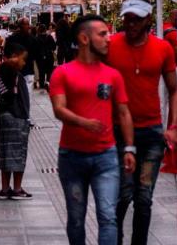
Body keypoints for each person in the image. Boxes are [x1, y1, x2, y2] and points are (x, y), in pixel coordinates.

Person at [50, 15, 136, 245]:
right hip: (72, 157)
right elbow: (58, 109)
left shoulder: (112, 75)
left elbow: (124, 112)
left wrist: (129, 147)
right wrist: (83, 122)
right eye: (102, 34)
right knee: (77, 219)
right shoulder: (63, 73)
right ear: (84, 38)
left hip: (105, 157)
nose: (109, 39)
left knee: (108, 217)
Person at [105, 0, 177, 245]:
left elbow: (174, 90)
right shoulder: (110, 45)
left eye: (136, 19)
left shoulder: (162, 49)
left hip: (151, 132)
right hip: (117, 132)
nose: (130, 24)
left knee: (144, 197)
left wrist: (173, 127)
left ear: (148, 19)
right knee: (123, 194)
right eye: (127, 18)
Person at [0, 42, 34, 200]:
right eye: (22, 59)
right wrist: (10, 60)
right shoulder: (10, 71)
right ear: (13, 58)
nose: (24, 63)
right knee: (18, 153)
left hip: (6, 115)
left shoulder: (0, 74)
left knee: (6, 154)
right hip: (16, 117)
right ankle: (16, 189)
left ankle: (5, 189)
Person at [7, 18, 40, 88]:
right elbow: (7, 53)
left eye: (28, 24)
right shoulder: (12, 38)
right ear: (20, 25)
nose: (28, 26)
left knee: (27, 93)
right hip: (16, 70)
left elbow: (36, 54)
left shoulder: (33, 39)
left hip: (28, 70)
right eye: (26, 24)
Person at [36, 23, 57, 90]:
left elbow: (35, 48)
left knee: (41, 71)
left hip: (40, 57)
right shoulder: (49, 37)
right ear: (45, 29)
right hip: (49, 56)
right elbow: (54, 47)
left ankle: (41, 84)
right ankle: (47, 83)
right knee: (49, 71)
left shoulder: (37, 38)